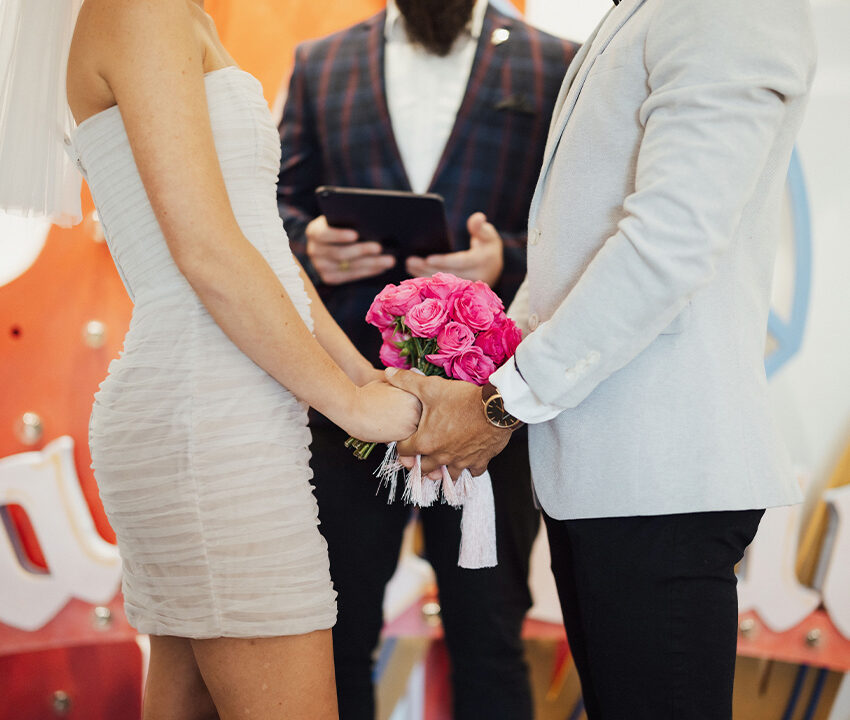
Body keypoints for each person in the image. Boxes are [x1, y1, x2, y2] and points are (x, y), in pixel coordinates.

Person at [385, 0, 817, 718]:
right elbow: (571, 251)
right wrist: (475, 372)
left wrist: (502, 403)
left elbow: (668, 245)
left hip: (661, 471)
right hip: (602, 467)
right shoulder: (639, 13)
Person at [1, 0, 423, 718]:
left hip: (216, 407)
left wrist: (364, 377)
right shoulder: (141, 9)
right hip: (209, 417)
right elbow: (208, 253)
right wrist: (351, 406)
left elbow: (260, 248)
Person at [276, 1, 577, 717]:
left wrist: (505, 258)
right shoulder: (320, 64)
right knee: (333, 638)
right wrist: (309, 244)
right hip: (347, 397)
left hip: (493, 407)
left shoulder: (554, 63)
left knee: (489, 636)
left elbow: (577, 226)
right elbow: (275, 207)